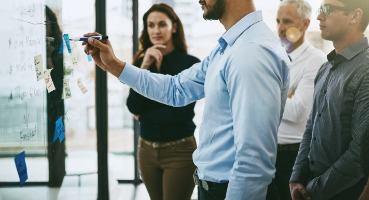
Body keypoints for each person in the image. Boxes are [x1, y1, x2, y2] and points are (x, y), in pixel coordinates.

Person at [83, 0, 290, 199]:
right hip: (213, 187)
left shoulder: (251, 52)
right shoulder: (230, 46)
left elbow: (254, 162)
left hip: (228, 190)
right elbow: (176, 89)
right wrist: (114, 65)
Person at [289, 0, 369, 199]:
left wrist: (312, 190)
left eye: (327, 10)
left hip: (341, 193)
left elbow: (358, 154)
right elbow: (311, 126)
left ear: (355, 16)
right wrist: (296, 178)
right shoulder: (325, 68)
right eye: (320, 9)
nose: (319, 16)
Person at [125, 3, 200, 200]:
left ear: (173, 27)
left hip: (180, 151)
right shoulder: (142, 62)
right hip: (146, 151)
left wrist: (144, 115)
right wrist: (145, 65)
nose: (156, 30)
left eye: (161, 24)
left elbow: (180, 114)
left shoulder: (190, 64)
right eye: (150, 25)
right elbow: (133, 106)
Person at [267, 1, 326, 200]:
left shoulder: (316, 60)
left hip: (292, 158)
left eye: (287, 21)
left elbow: (297, 112)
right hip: (266, 153)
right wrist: (286, 94)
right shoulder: (273, 56)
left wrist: (266, 94)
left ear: (305, 24)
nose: (281, 28)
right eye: (278, 21)